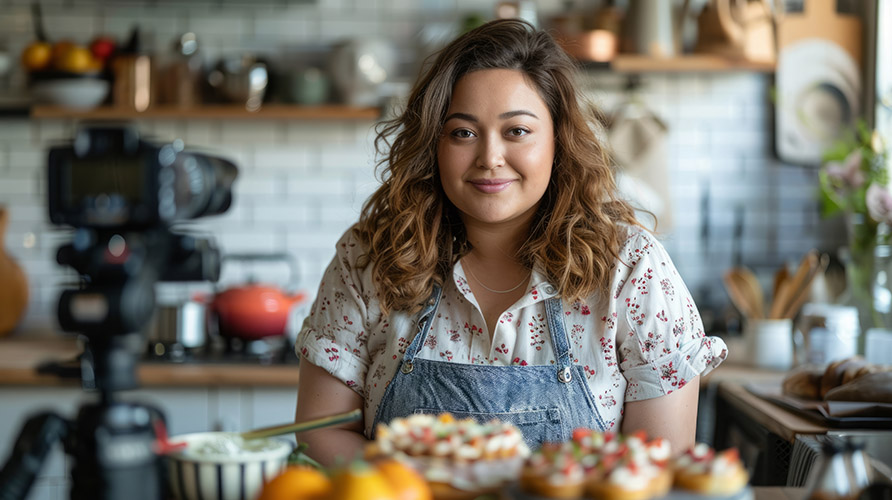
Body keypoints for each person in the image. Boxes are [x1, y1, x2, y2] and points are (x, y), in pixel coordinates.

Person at [294, 19, 727, 466]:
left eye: (516, 131)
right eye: (463, 132)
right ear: (433, 143)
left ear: (558, 140)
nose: (490, 158)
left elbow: (659, 465)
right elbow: (322, 434)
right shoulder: (368, 257)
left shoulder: (631, 268)